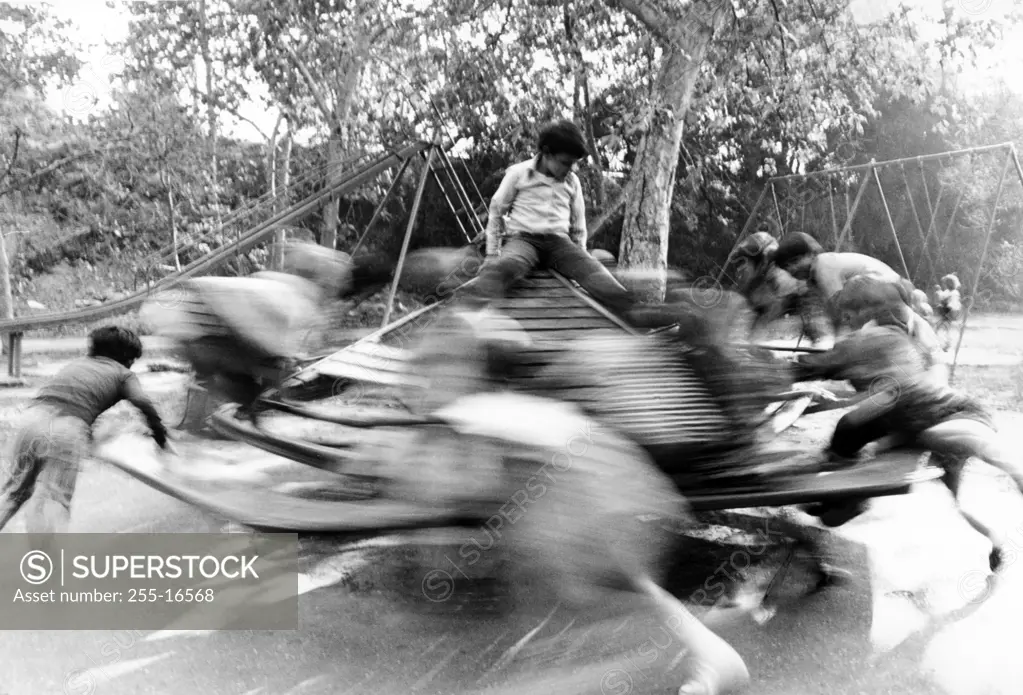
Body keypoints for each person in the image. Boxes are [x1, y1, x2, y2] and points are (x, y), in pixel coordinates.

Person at [791, 298, 1023, 573]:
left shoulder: (875, 347)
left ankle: (843, 500)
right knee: (958, 501)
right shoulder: (895, 346)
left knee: (933, 438)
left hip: (952, 416)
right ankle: (995, 541)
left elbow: (979, 443)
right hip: (921, 423)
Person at [464, 120, 660, 328]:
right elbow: (496, 210)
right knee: (507, 266)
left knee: (595, 273)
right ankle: (468, 310)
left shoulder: (571, 181)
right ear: (546, 154)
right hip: (524, 239)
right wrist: (492, 255)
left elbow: (578, 224)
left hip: (559, 243)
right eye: (566, 162)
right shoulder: (519, 174)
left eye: (574, 163)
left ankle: (636, 314)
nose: (571, 168)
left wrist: (580, 256)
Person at [0, 326, 169, 533]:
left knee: (14, 493)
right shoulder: (123, 374)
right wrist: (161, 438)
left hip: (31, 420)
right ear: (126, 357)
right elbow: (143, 403)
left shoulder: (78, 364)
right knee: (54, 499)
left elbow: (74, 399)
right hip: (67, 428)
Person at [771, 232, 904, 334]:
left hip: (890, 289)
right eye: (786, 267)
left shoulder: (822, 265)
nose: (792, 269)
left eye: (795, 261)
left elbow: (838, 310)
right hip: (888, 291)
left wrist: (838, 344)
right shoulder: (814, 277)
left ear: (810, 255)